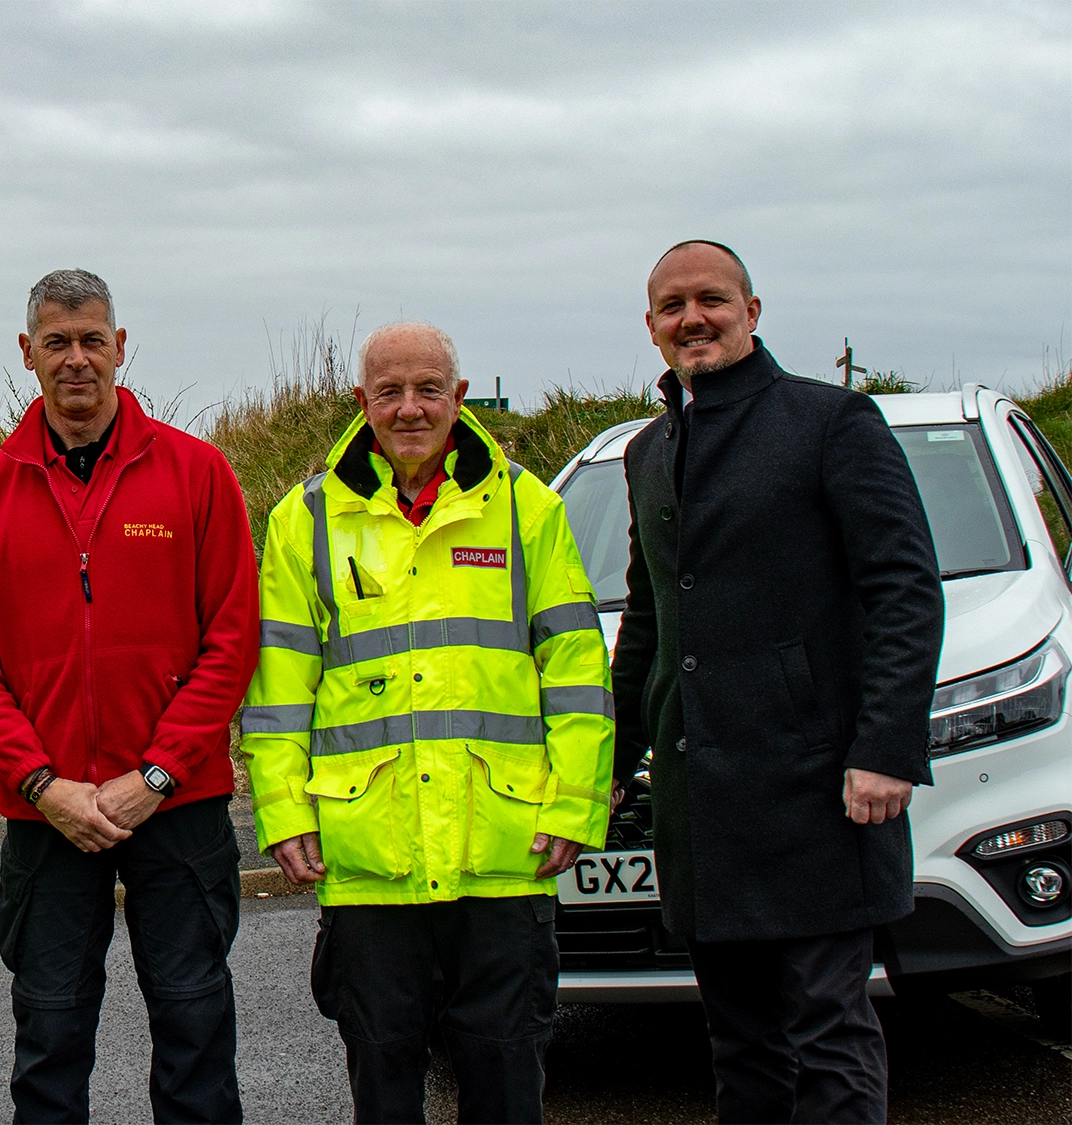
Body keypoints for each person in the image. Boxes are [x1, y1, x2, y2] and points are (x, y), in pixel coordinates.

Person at [243, 322, 614, 1125]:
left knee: (507, 1083)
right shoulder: (303, 521)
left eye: (428, 390)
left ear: (460, 397)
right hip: (370, 852)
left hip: (504, 852)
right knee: (382, 1088)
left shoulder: (526, 508)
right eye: (390, 392)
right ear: (361, 401)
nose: (410, 409)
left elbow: (578, 673)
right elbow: (278, 692)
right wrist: (283, 811)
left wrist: (575, 804)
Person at [612, 241, 942, 1123]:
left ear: (752, 312)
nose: (693, 319)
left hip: (819, 793)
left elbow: (904, 589)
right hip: (705, 808)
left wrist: (887, 748)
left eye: (711, 300)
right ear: (651, 328)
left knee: (829, 1034)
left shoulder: (832, 421)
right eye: (673, 307)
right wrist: (608, 757)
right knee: (742, 1046)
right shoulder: (648, 452)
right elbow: (648, 621)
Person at [0, 269, 259, 1122]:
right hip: (46, 814)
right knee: (49, 1037)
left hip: (178, 807)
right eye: (56, 342)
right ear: (27, 354)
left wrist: (152, 775)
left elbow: (231, 643)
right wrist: (45, 784)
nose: (76, 359)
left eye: (91, 340)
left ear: (121, 346)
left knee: (195, 1024)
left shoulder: (197, 475)